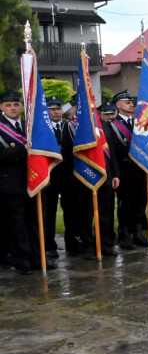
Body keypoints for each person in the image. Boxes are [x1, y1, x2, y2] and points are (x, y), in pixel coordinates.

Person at [108, 90, 148, 249]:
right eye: (126, 102)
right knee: (126, 203)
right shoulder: (113, 125)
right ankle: (124, 233)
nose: (131, 104)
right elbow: (114, 149)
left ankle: (138, 231)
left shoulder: (138, 123)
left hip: (139, 168)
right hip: (124, 168)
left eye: (131, 102)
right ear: (118, 105)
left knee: (140, 201)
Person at [0, 89, 32, 274]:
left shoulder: (28, 125)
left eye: (16, 104)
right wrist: (23, 149)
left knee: (33, 221)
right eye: (8, 105)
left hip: (32, 180)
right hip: (10, 184)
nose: (13, 108)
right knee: (17, 224)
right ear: (2, 107)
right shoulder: (1, 127)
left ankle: (36, 256)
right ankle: (21, 260)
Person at [44, 96, 76, 260]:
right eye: (52, 109)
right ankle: (49, 244)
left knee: (70, 210)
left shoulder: (67, 126)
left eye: (58, 109)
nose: (56, 112)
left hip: (67, 175)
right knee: (49, 212)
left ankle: (71, 243)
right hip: (50, 176)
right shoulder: (42, 128)